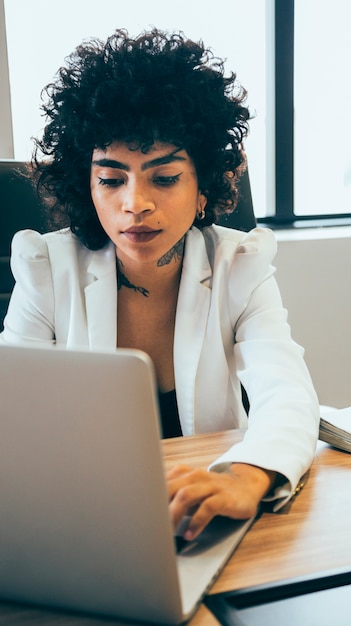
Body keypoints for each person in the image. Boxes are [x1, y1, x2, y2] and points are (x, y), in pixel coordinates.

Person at [0, 28, 320, 541]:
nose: (135, 204)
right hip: (84, 524)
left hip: (205, 522)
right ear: (86, 187)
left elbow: (289, 396)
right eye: (111, 179)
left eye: (164, 178)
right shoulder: (46, 270)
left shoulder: (241, 266)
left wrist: (246, 475)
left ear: (203, 189)